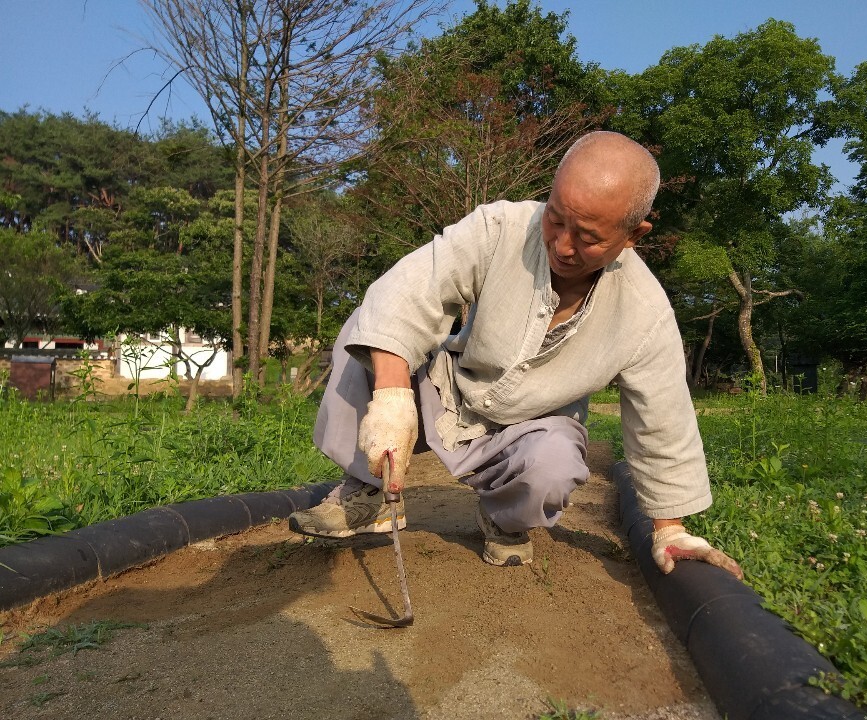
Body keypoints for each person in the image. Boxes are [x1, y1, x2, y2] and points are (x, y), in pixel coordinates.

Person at [289, 131, 742, 579]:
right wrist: (391, 396)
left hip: (530, 429)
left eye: (588, 238)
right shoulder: (500, 228)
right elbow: (410, 291)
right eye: (557, 219)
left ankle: (502, 519)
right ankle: (369, 492)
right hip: (448, 390)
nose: (563, 246)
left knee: (556, 462)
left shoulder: (646, 314)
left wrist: (669, 528)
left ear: (633, 235)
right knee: (370, 326)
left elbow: (662, 419)